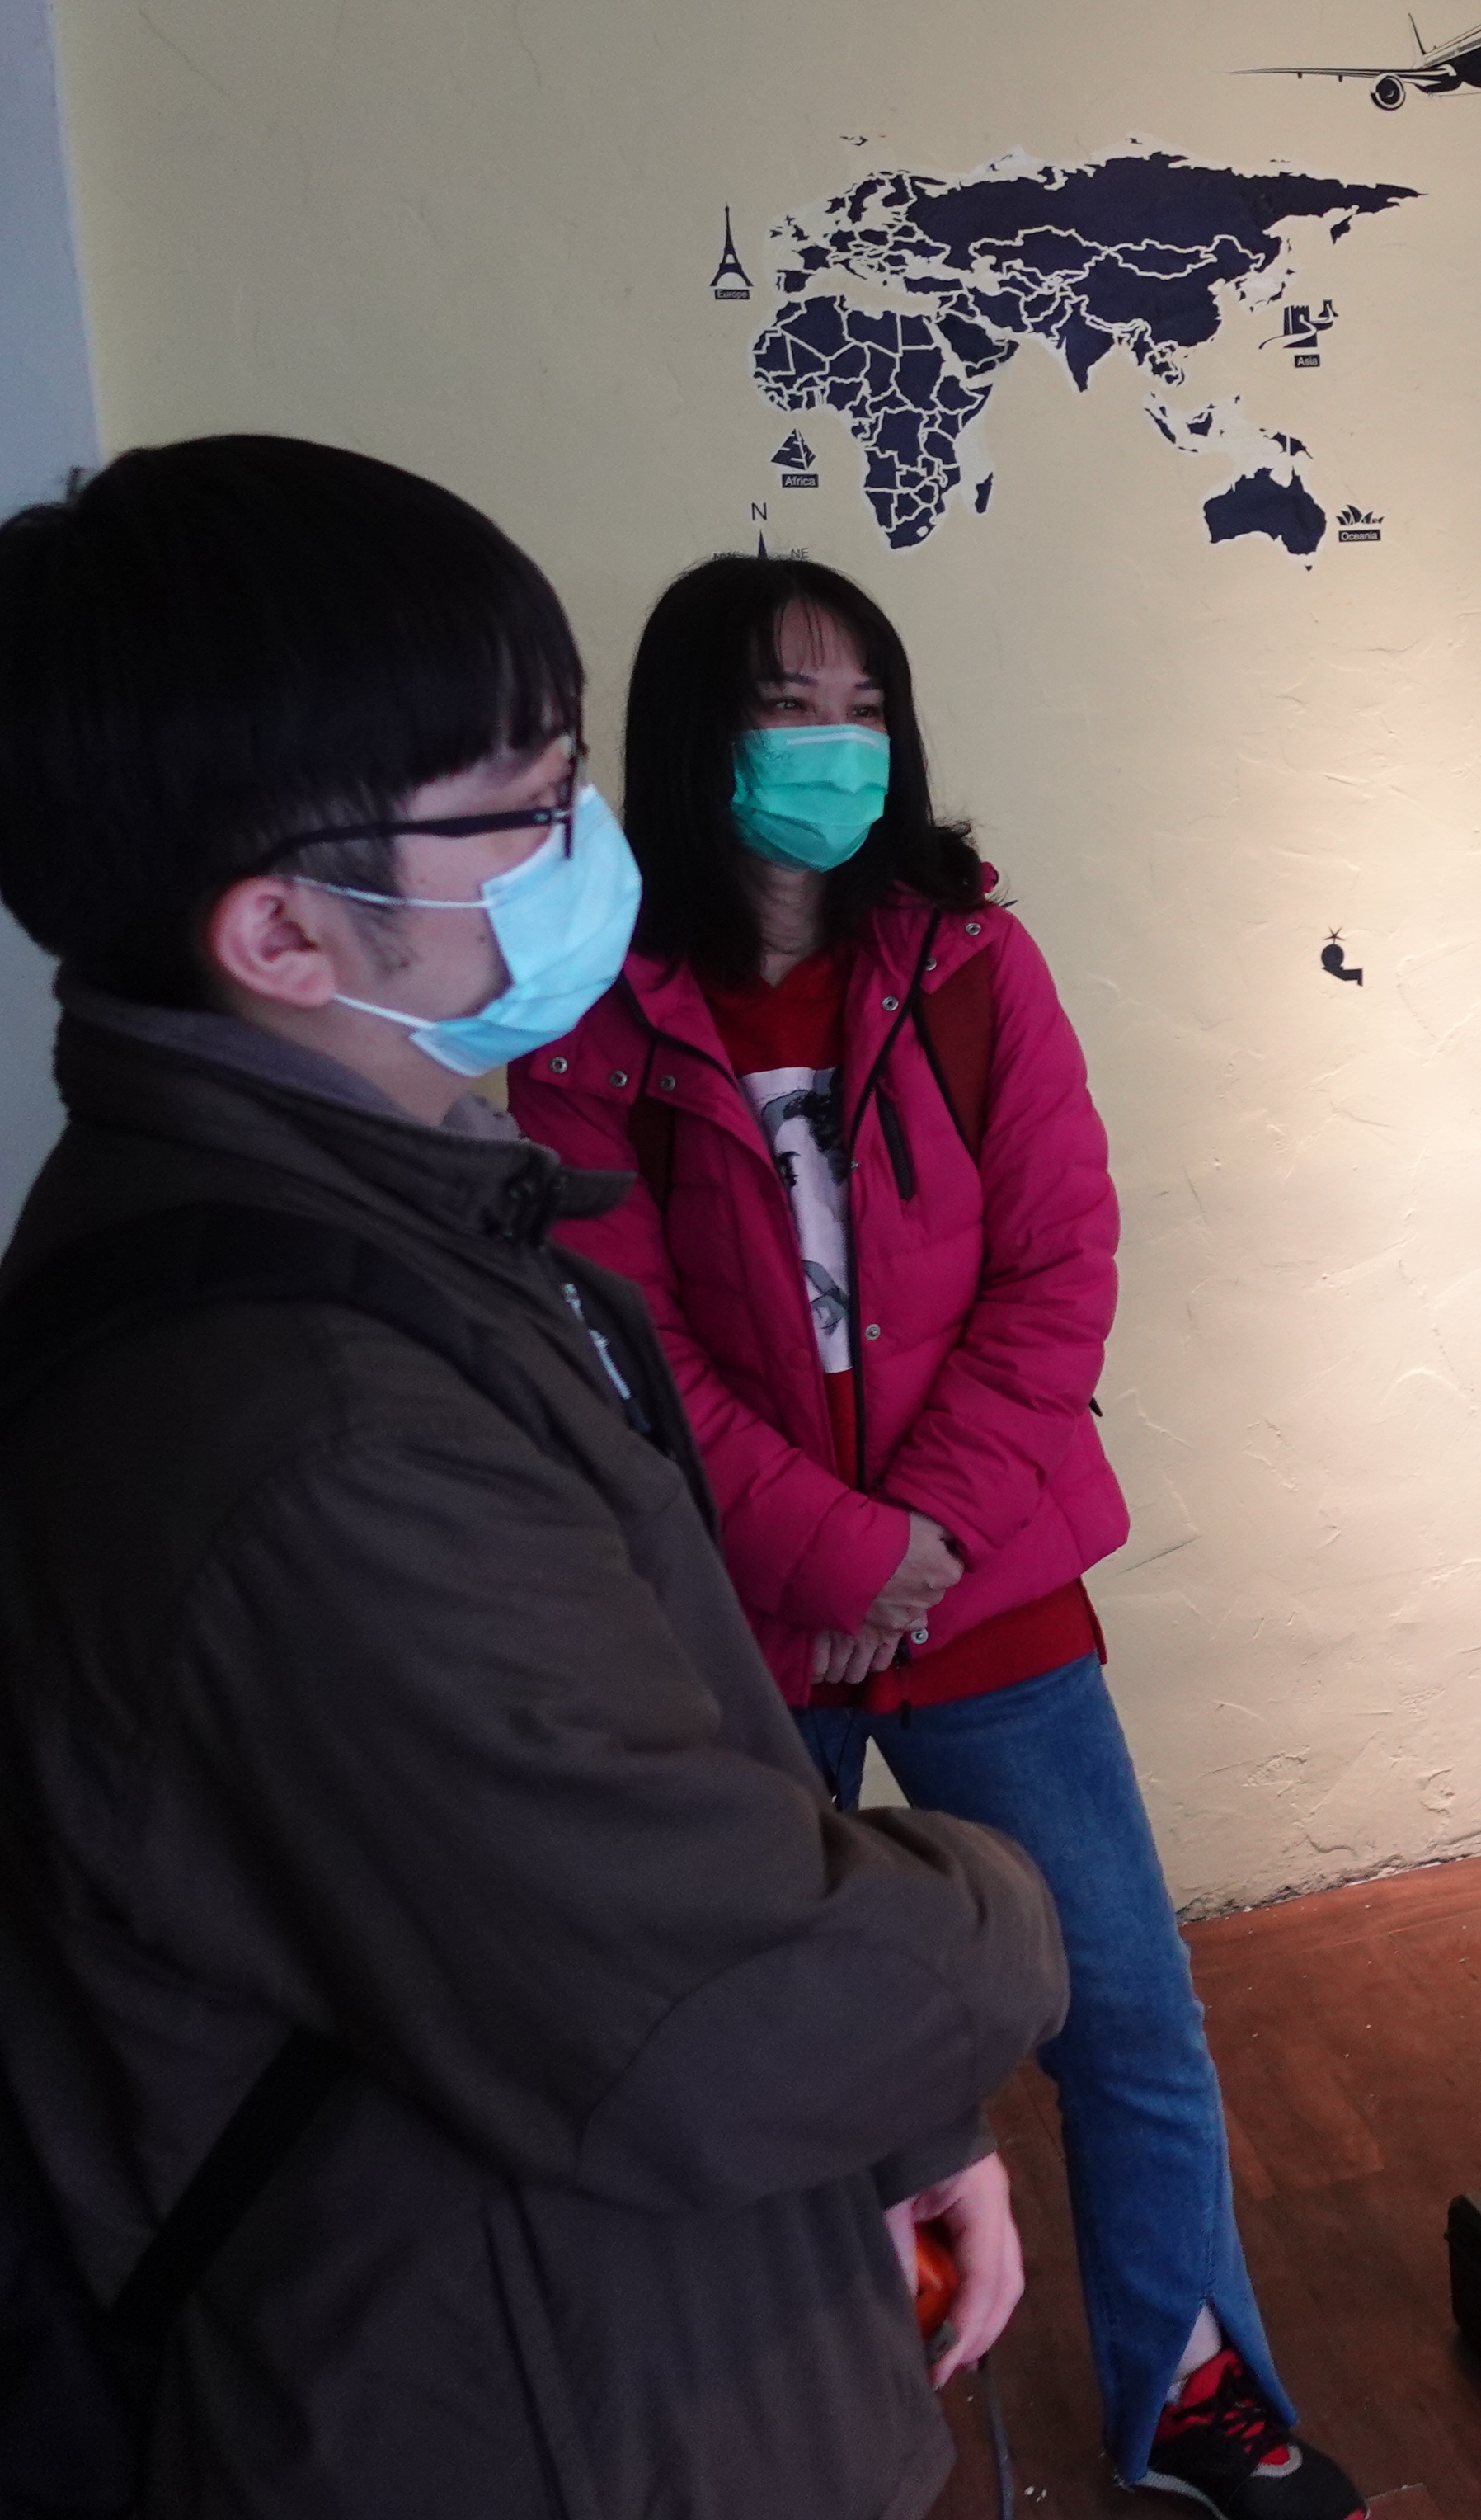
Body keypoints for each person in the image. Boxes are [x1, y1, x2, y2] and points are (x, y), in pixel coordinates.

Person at [0, 437, 1069, 2519]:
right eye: (525, 802)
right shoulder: (307, 1447)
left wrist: (895, 2120)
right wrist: (991, 1920)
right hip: (547, 2421)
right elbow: (723, 1997)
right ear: (284, 934)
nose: (587, 839)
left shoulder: (404, 1216)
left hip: (655, 2317)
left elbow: (617, 1848)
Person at [508, 554, 1364, 2520]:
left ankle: (1196, 2403)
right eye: (783, 707)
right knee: (776, 2039)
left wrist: (918, 1546)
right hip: (751, 1617)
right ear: (692, 735)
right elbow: (626, 1344)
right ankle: (835, 2416)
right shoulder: (595, 1014)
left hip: (986, 1592)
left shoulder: (974, 965)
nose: (834, 747)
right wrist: (828, 1559)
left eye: (863, 705)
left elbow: (1060, 1277)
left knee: (1129, 2019)